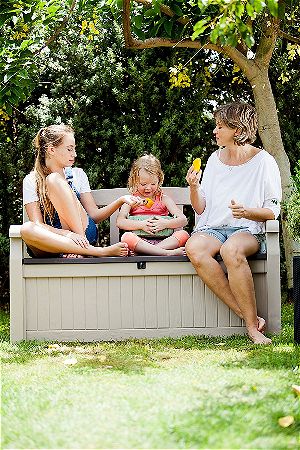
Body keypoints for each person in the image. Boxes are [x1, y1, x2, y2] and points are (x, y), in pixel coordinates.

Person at [185, 101, 282, 345]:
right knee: (194, 248)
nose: (215, 132)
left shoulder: (264, 162)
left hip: (248, 229)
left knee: (231, 250)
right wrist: (194, 187)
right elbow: (201, 208)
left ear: (237, 130)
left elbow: (273, 211)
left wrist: (247, 212)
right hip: (214, 228)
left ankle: (252, 328)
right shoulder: (214, 159)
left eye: (220, 126)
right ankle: (246, 315)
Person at [21, 124, 141, 258]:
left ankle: (81, 247)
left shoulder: (78, 175)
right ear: (51, 150)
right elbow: (38, 224)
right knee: (26, 229)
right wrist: (67, 234)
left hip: (82, 234)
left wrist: (120, 201)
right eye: (69, 149)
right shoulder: (31, 180)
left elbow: (94, 215)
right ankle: (96, 251)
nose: (74, 154)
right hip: (54, 241)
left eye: (74, 149)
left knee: (53, 179)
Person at [117, 154, 189, 256]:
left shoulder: (164, 199)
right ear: (134, 181)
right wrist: (141, 225)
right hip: (141, 242)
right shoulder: (131, 200)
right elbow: (120, 222)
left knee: (183, 235)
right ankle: (165, 253)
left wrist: (165, 224)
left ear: (159, 180)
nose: (148, 188)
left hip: (164, 242)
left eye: (153, 184)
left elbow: (183, 220)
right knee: (126, 237)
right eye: (143, 184)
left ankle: (148, 252)